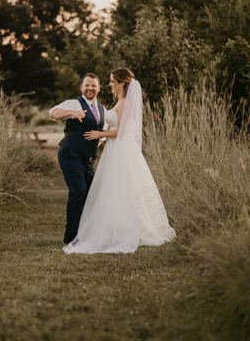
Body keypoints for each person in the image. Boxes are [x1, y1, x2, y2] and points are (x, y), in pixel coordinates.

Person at [63, 68, 175, 254]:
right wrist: (99, 140)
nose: (110, 84)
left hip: (122, 150)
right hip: (115, 150)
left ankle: (129, 229)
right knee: (115, 189)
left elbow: (122, 131)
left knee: (123, 188)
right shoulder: (121, 102)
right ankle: (117, 226)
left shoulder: (125, 104)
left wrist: (101, 134)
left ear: (123, 83)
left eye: (112, 81)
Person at [49, 73, 107, 244]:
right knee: (79, 190)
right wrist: (72, 113)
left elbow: (102, 134)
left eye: (93, 85)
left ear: (99, 88)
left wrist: (92, 147)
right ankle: (71, 236)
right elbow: (53, 113)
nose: (90, 88)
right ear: (82, 87)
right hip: (69, 154)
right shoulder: (74, 104)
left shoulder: (102, 109)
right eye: (87, 85)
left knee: (93, 193)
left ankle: (87, 231)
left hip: (87, 160)